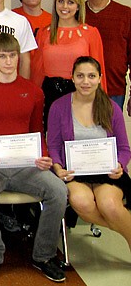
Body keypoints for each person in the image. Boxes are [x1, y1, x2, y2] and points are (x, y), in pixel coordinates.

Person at [0, 33, 67, 285]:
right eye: (2, 56)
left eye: (12, 55)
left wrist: (44, 156)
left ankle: (43, 255)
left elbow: (38, 131)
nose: (9, 61)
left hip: (26, 166)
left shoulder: (33, 92)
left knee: (58, 189)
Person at [48, 56, 131, 252]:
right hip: (74, 172)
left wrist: (119, 165)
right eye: (81, 76)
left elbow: (125, 148)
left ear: (100, 78)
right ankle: (125, 229)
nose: (86, 82)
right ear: (73, 78)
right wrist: (58, 168)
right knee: (81, 202)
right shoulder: (59, 107)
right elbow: (52, 145)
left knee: (109, 205)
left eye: (91, 76)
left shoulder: (111, 107)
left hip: (107, 172)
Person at [34, 0, 106, 127]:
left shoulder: (90, 33)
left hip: (82, 95)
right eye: (61, 1)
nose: (65, 7)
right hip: (50, 96)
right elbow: (37, 71)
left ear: (78, 5)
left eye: (71, 2)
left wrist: (101, 104)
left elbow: (99, 71)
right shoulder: (43, 33)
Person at [83, 0, 131, 111]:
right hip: (80, 89)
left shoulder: (126, 14)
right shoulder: (76, 13)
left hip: (114, 89)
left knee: (110, 132)